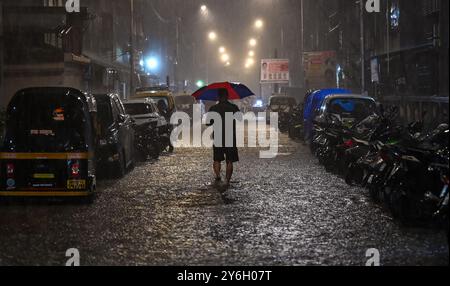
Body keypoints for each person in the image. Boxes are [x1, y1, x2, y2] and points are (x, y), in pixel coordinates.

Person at [208, 89, 240, 187]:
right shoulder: (234, 107)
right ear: (227, 96)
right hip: (230, 136)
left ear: (218, 96)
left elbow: (208, 122)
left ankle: (218, 176)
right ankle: (227, 180)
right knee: (229, 160)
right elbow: (240, 119)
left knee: (217, 159)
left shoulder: (213, 108)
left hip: (218, 136)